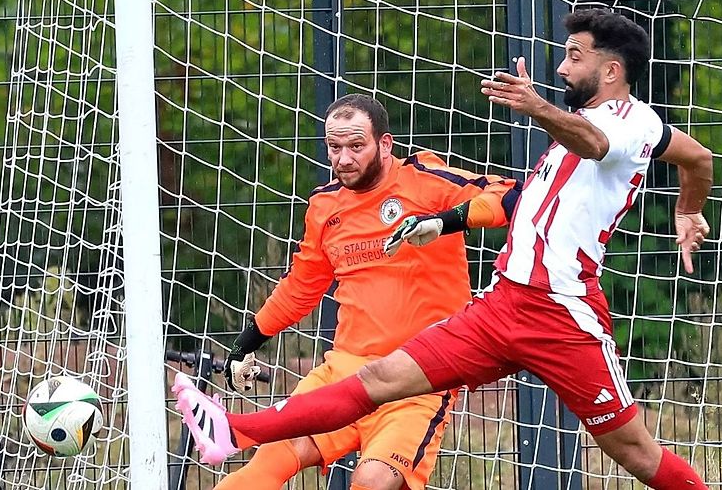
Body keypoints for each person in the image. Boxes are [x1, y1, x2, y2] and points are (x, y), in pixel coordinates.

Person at [174, 8, 714, 489]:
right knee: (379, 377)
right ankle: (232, 430)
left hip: (562, 314)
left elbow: (593, 145)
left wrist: (535, 107)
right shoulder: (327, 206)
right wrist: (688, 209)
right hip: (502, 303)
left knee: (634, 453)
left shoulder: (625, 122)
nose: (562, 68)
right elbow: (698, 159)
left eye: (575, 56)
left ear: (611, 70)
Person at [192, 93, 521, 490]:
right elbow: (301, 285)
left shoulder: (425, 180)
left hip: (416, 377)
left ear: (385, 144)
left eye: (355, 146)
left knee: (372, 481)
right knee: (269, 462)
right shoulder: (325, 205)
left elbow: (509, 195)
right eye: (334, 147)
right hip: (343, 372)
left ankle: (236, 429)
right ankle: (234, 433)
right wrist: (245, 344)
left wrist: (444, 222)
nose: (343, 158)